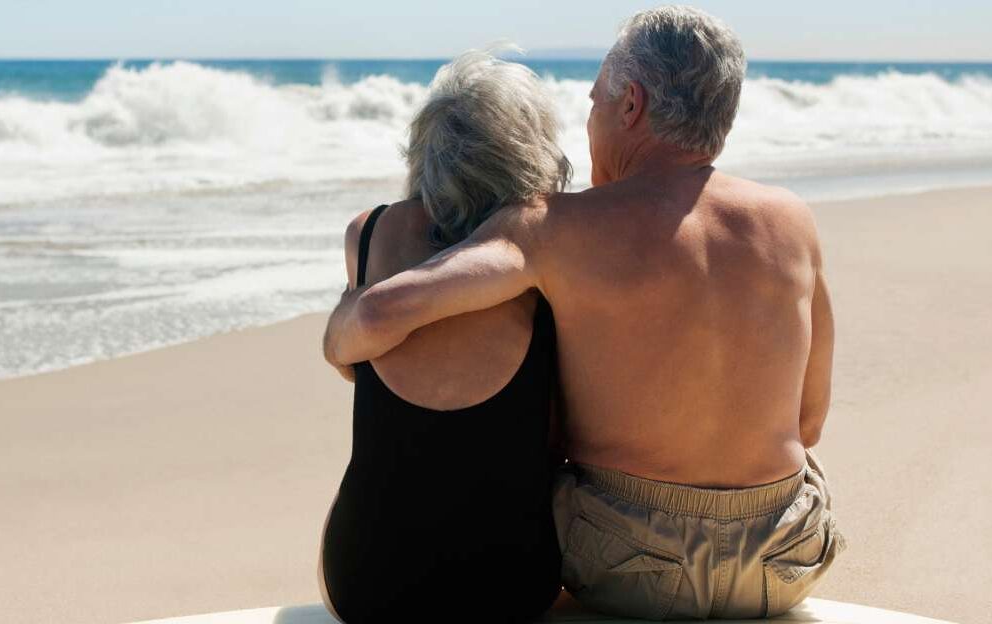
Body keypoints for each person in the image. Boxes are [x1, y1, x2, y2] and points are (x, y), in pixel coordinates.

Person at [324, 6, 843, 620]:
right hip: (785, 556)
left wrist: (342, 336)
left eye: (595, 101)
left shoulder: (557, 227)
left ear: (631, 105)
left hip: (630, 564)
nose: (591, 119)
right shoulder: (791, 221)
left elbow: (389, 309)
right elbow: (808, 424)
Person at [316, 48, 571, 623]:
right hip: (514, 588)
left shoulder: (369, 232)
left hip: (366, 585)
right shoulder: (549, 251)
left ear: (424, 148)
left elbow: (348, 364)